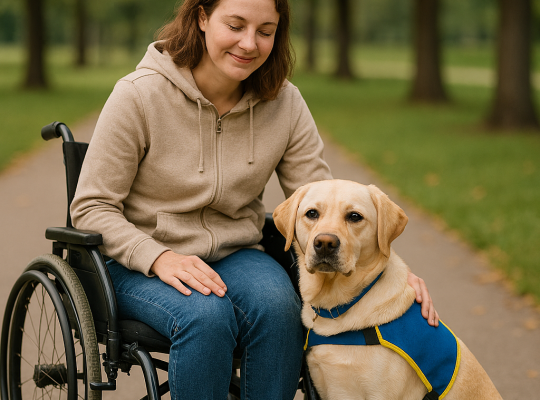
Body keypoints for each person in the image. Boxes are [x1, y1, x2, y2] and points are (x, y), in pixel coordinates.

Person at [71, 0, 439, 399]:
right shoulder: (138, 95)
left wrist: (389, 271)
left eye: (266, 31)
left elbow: (326, 202)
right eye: (236, 25)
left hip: (235, 253)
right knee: (205, 317)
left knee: (279, 309)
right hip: (137, 260)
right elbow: (91, 208)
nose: (249, 43)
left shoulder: (284, 102)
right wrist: (159, 257)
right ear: (202, 17)